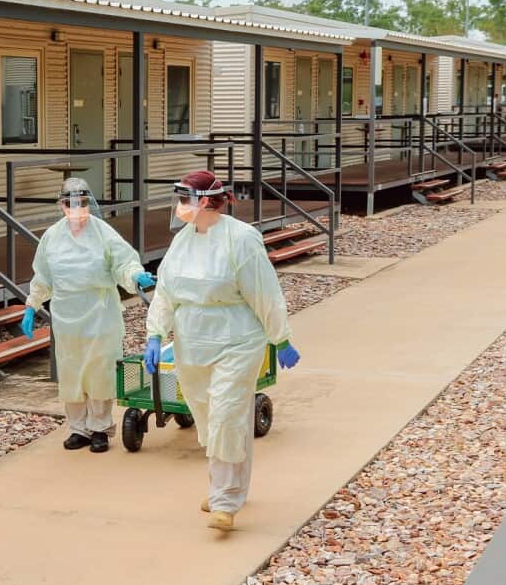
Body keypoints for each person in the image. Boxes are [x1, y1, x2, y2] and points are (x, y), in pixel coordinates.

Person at [143, 170, 300, 531]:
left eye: (185, 199)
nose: (180, 207)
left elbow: (264, 292)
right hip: (192, 342)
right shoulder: (183, 241)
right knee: (209, 414)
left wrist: (281, 338)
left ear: (205, 201)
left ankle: (226, 501)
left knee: (228, 414)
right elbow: (166, 291)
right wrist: (154, 334)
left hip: (236, 339)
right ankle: (221, 486)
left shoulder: (241, 239)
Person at [21, 177, 154, 453]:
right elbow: (43, 275)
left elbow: (123, 263)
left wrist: (135, 275)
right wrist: (32, 305)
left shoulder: (103, 233)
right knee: (71, 372)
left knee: (99, 370)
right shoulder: (52, 237)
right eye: (70, 204)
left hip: (100, 312)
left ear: (88, 204)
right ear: (61, 206)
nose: (76, 209)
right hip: (66, 314)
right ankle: (78, 429)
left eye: (81, 203)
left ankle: (100, 429)